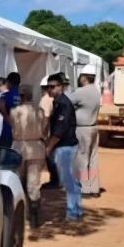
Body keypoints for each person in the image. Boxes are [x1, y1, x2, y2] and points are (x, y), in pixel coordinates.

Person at [45, 73, 83, 222]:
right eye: (48, 87)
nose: (50, 90)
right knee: (71, 180)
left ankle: (73, 213)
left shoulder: (64, 104)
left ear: (60, 87)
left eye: (52, 87)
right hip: (65, 146)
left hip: (66, 146)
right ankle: (75, 211)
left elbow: (59, 131)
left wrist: (49, 147)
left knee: (69, 181)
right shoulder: (57, 103)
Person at [10, 89, 48, 228]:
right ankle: (34, 216)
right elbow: (45, 129)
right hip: (36, 147)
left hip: (19, 147)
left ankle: (22, 214)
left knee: (18, 182)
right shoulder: (40, 112)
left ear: (22, 96)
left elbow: (12, 125)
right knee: (34, 183)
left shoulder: (15, 111)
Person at [69, 65, 102, 198]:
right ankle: (94, 188)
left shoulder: (81, 92)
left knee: (82, 158)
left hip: (82, 128)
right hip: (93, 127)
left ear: (84, 78)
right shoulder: (96, 91)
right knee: (93, 159)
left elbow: (67, 102)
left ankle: (85, 188)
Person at [39, 75, 60, 189]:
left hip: (47, 132)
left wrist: (43, 134)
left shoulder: (45, 100)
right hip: (54, 130)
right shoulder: (53, 99)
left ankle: (54, 180)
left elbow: (46, 118)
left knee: (49, 156)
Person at [0, 72, 21, 150]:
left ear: (8, 82)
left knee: (4, 151)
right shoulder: (23, 96)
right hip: (20, 129)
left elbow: (0, 105)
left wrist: (5, 116)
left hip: (7, 128)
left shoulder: (6, 95)